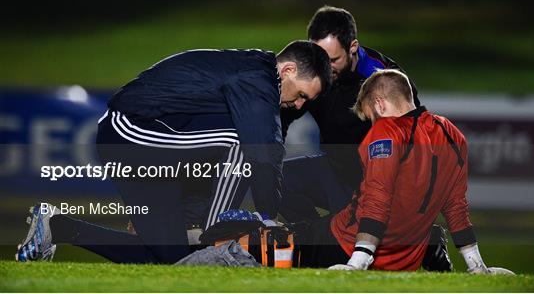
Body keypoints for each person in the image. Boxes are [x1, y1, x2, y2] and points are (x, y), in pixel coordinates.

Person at [16, 41, 332, 264]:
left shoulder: (257, 78)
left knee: (172, 257)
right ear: (287, 69)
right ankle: (212, 236)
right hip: (133, 134)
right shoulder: (258, 79)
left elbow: (209, 142)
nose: (301, 104)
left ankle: (58, 226)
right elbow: (262, 152)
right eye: (302, 94)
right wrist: (266, 216)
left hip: (145, 144)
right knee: (243, 144)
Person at [296, 69, 513, 275]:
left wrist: (358, 261)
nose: (373, 125)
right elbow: (456, 205)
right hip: (406, 261)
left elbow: (377, 197)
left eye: (371, 118)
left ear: (380, 105)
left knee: (280, 241)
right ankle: (446, 253)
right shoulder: (452, 134)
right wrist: (476, 266)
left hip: (345, 242)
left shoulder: (385, 131)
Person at [280, 6, 420, 222]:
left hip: (375, 185)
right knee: (276, 179)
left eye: (333, 60)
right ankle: (313, 240)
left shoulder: (383, 79)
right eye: (318, 57)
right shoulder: (311, 70)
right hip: (333, 170)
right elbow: (279, 120)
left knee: (349, 241)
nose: (324, 68)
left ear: (353, 47)